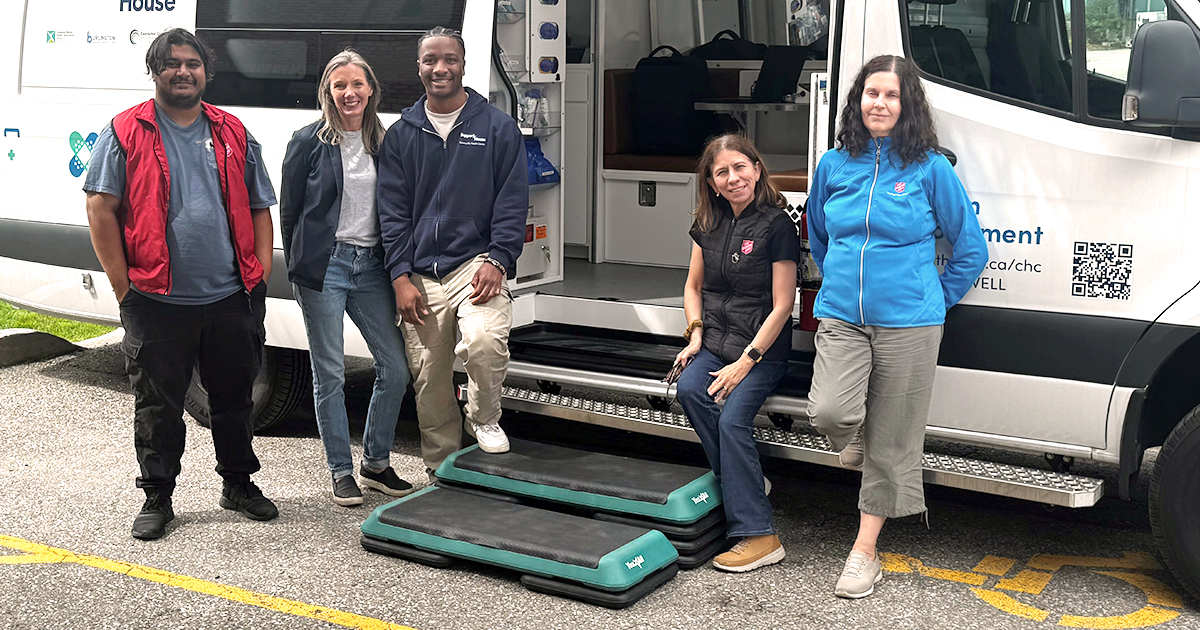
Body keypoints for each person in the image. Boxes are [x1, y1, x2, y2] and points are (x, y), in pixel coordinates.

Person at [83, 29, 280, 540]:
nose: (183, 71)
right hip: (155, 299)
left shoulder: (233, 130)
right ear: (155, 71)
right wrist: (124, 288)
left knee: (234, 398)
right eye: (171, 64)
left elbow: (261, 205)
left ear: (206, 73)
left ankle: (238, 484)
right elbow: (99, 208)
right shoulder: (125, 131)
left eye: (192, 63)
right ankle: (157, 496)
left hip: (230, 296)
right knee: (158, 405)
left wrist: (257, 276)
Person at [805, 55, 988, 598]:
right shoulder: (834, 165)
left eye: (891, 95)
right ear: (856, 100)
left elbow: (969, 248)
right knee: (830, 412)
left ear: (907, 106)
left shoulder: (931, 168)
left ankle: (864, 552)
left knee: (892, 444)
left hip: (910, 323)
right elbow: (819, 235)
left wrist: (933, 297)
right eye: (870, 93)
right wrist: (837, 280)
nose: (878, 103)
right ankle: (860, 435)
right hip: (842, 315)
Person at [377, 27, 528, 476]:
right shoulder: (402, 133)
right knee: (429, 379)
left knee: (484, 343)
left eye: (449, 59)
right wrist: (400, 277)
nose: (440, 68)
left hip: (475, 264)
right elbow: (392, 212)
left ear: (464, 64)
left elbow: (512, 199)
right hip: (421, 273)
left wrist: (498, 258)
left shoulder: (496, 127)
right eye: (430, 60)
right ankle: (441, 471)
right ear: (418, 67)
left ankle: (484, 416)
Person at [281, 50, 415, 507]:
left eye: (357, 84)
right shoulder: (307, 141)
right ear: (327, 92)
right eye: (339, 85)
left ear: (371, 90)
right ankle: (340, 470)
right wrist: (300, 265)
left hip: (372, 266)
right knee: (331, 373)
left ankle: (376, 464)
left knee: (395, 367)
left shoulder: (387, 141)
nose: (349, 93)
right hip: (326, 267)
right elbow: (291, 211)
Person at [675, 134, 799, 573]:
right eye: (722, 172)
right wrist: (694, 337)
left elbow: (784, 305)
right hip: (714, 342)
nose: (733, 178)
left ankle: (759, 534)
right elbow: (693, 287)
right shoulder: (707, 223)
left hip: (761, 350)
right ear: (710, 181)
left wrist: (746, 361)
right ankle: (744, 479)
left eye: (740, 168)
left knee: (731, 419)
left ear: (757, 169)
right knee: (690, 389)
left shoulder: (776, 224)